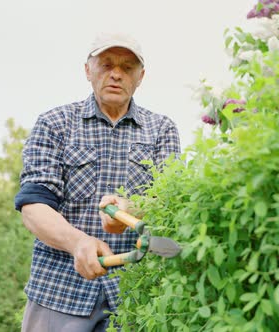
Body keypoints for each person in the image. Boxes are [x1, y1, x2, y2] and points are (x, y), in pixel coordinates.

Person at [14, 32, 181, 331]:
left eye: (127, 67)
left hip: (135, 299)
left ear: (140, 76)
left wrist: (135, 209)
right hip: (58, 291)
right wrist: (78, 243)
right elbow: (33, 207)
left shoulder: (162, 130)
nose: (116, 73)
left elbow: (170, 202)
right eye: (106, 64)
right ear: (88, 70)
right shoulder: (55, 123)